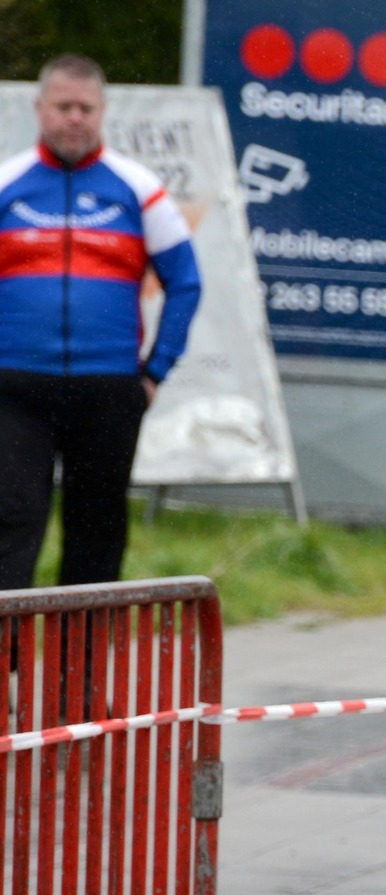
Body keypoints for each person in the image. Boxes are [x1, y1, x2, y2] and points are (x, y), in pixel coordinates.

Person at [0, 54, 201, 590]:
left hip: (108, 390)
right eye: (63, 106)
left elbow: (186, 281)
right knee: (10, 522)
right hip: (15, 390)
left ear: (103, 112)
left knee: (97, 531)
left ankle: (80, 672)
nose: (74, 118)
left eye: (85, 108)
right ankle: (4, 665)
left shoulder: (138, 188)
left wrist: (156, 370)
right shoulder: (8, 183)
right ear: (39, 108)